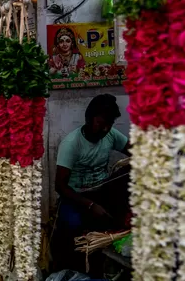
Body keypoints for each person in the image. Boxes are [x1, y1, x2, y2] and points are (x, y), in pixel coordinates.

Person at [55, 94, 129, 237]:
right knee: (73, 224)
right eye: (100, 123)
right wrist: (90, 205)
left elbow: (134, 151)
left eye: (109, 124)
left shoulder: (110, 134)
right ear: (89, 119)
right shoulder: (71, 143)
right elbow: (60, 186)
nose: (105, 129)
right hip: (76, 196)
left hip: (102, 190)